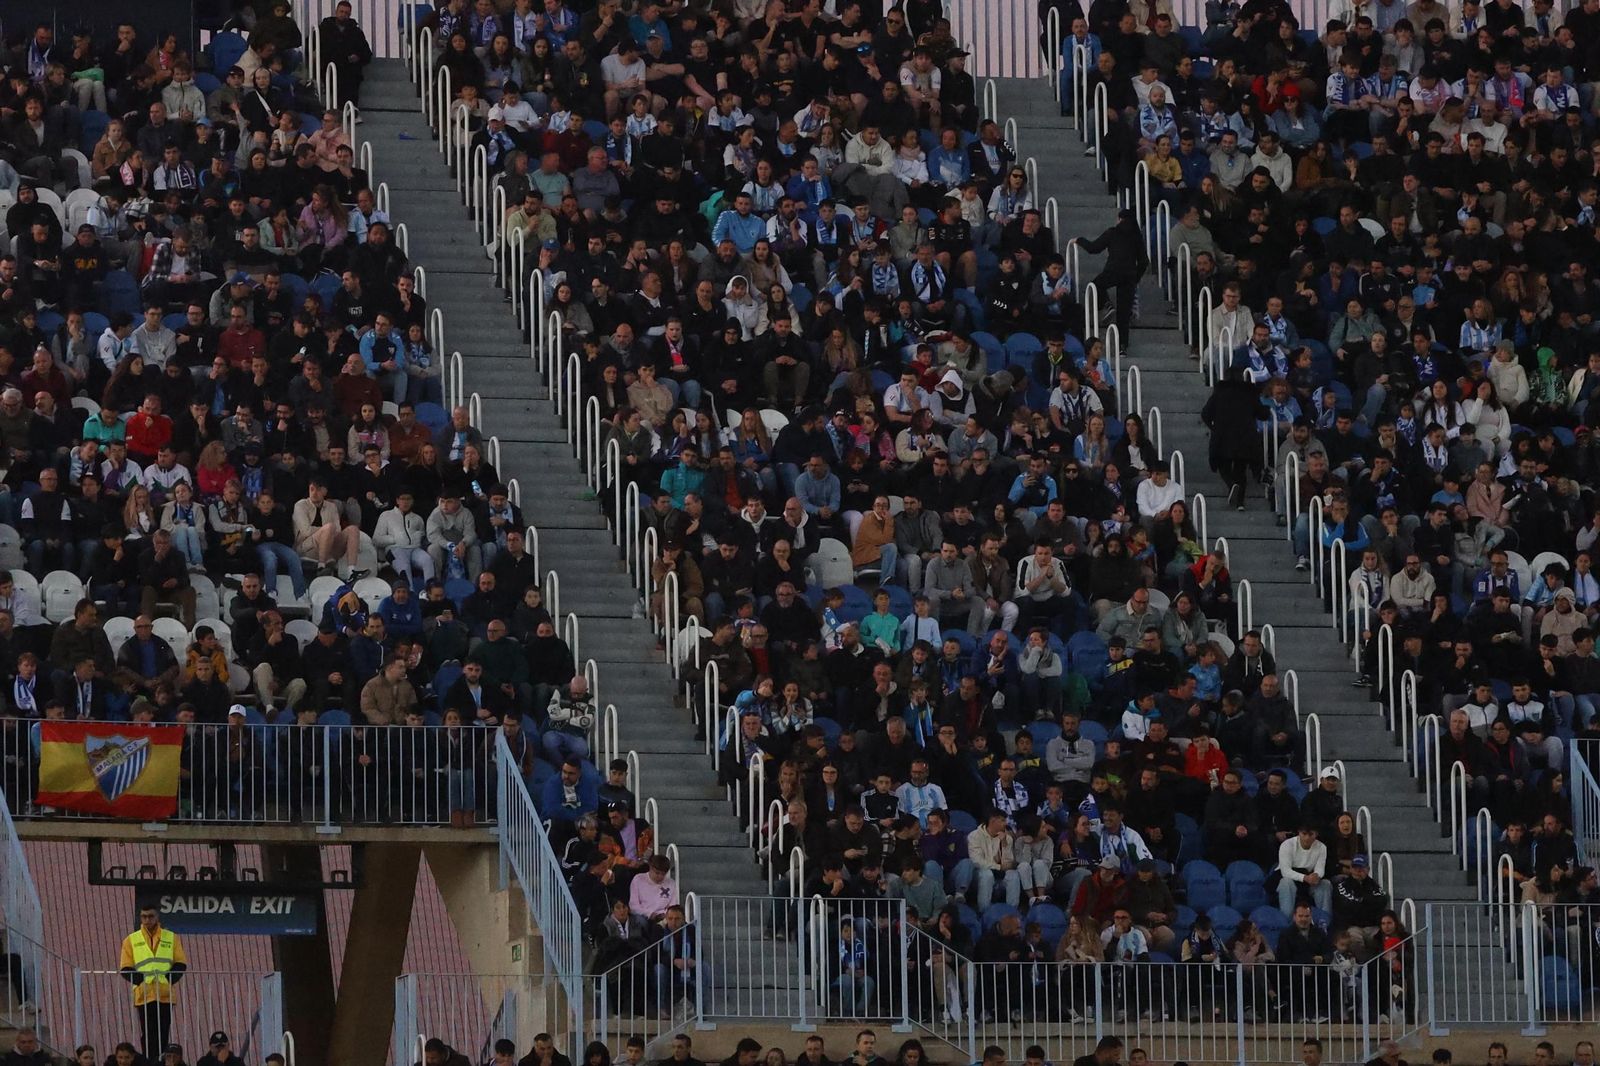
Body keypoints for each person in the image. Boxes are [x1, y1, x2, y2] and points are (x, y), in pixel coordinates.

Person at [118, 905, 188, 1061]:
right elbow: (125, 967)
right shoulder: (131, 939)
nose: (147, 920)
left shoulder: (171, 937)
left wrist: (169, 980)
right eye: (144, 916)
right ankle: (150, 1061)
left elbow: (180, 963)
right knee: (148, 1033)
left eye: (150, 916)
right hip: (144, 994)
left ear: (157, 917)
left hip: (164, 993)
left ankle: (160, 1060)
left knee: (163, 1032)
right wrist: (141, 981)